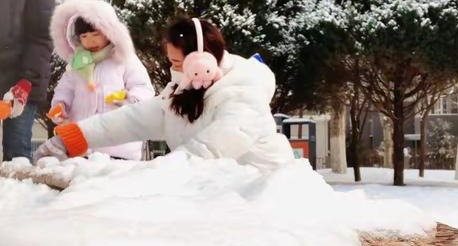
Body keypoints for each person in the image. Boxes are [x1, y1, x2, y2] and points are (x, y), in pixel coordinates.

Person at [34, 17, 294, 170]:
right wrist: (74, 137)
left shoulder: (242, 93)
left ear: (201, 60)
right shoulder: (184, 91)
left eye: (178, 63)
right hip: (220, 197)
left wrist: (161, 172)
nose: (174, 69)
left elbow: (210, 148)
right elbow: (132, 119)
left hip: (264, 197)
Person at [48, 0, 155, 160]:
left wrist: (128, 99)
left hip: (118, 145)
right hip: (81, 144)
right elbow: (65, 89)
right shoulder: (77, 64)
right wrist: (60, 106)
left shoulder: (124, 59)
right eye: (84, 36)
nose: (90, 40)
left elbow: (143, 88)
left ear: (109, 32)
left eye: (95, 34)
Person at [0, 0, 55, 161]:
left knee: (17, 154)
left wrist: (26, 82)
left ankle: (17, 196)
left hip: (21, 77)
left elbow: (42, 35)